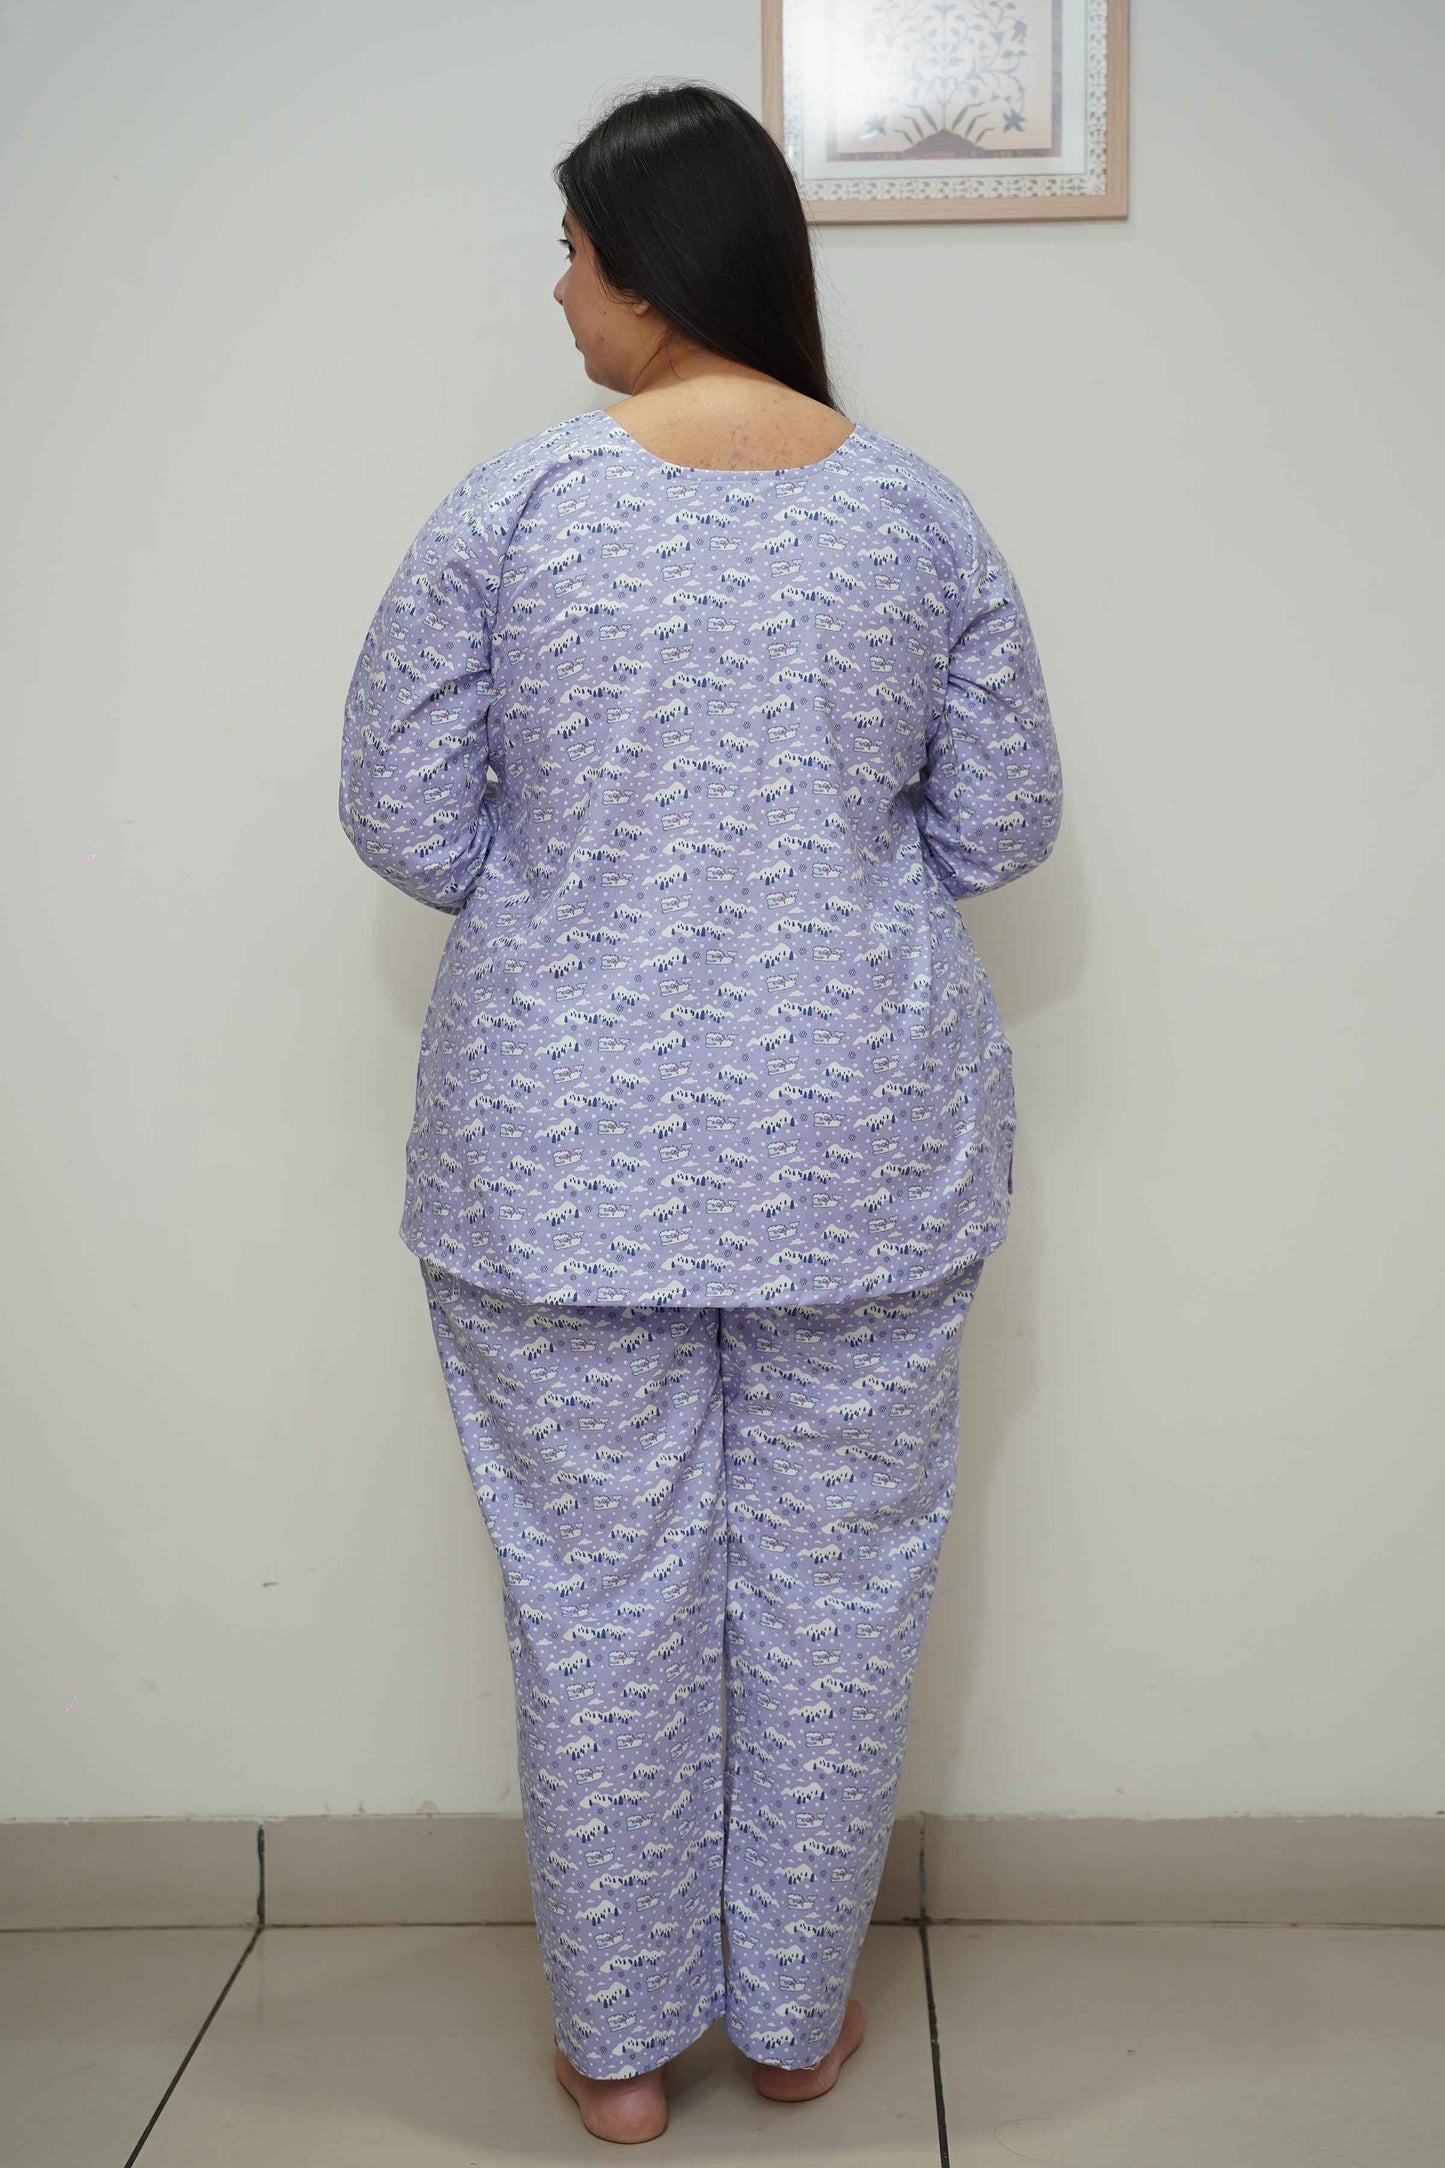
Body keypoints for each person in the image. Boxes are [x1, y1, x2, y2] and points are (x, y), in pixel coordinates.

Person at [338, 79, 1061, 2147]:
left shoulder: (513, 514)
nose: (558, 288)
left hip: (561, 1158)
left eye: (571, 250)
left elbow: (400, 811)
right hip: (860, 1152)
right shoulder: (918, 519)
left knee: (596, 1593)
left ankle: (621, 2047)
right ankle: (799, 2023)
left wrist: (580, 908)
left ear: (647, 273)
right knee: (840, 1591)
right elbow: (1002, 823)